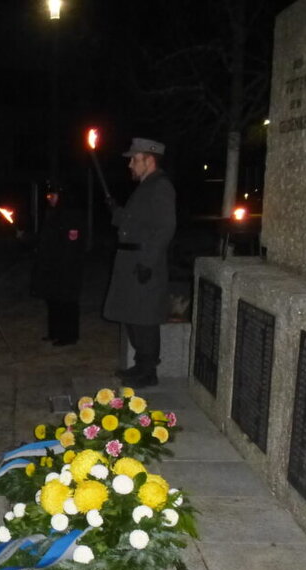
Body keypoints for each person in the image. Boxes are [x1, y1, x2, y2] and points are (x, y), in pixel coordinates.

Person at [103, 137, 176, 388]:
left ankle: (148, 371)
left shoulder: (160, 186)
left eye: (135, 159)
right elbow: (140, 223)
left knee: (144, 319)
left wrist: (147, 262)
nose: (130, 164)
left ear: (149, 160)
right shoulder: (146, 186)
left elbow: (165, 228)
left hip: (144, 263)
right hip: (132, 262)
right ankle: (140, 365)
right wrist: (118, 214)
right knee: (134, 317)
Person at [30, 186, 85, 346]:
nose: (50, 198)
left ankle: (69, 336)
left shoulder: (72, 216)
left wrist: (64, 267)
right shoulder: (52, 215)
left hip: (67, 268)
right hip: (52, 267)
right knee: (53, 300)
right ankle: (54, 332)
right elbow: (45, 239)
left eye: (53, 195)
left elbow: (71, 245)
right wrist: (28, 238)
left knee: (67, 302)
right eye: (48, 195)